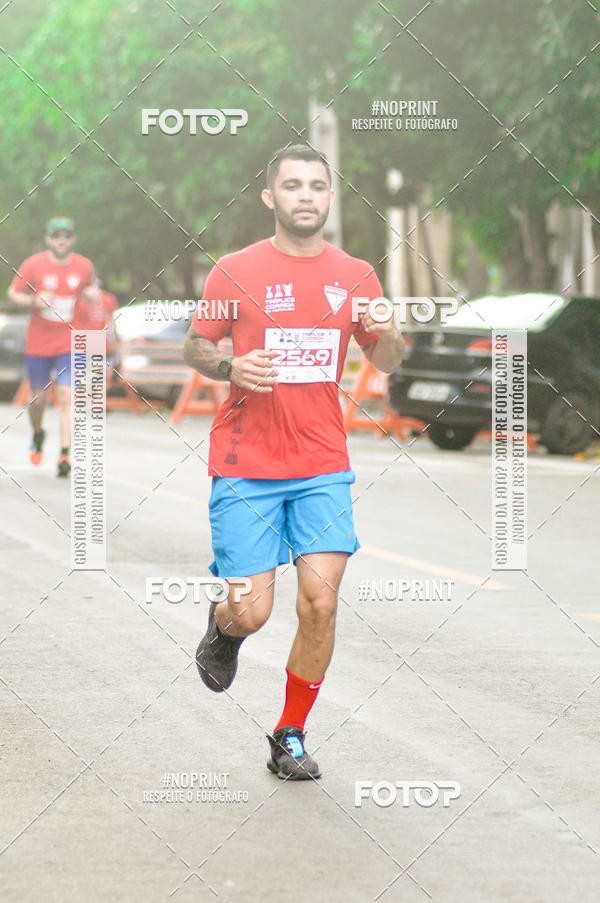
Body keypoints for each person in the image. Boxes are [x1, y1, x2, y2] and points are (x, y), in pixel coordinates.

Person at [183, 145, 404, 779]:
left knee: (320, 605)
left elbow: (386, 359)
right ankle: (224, 632)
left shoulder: (358, 274)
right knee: (252, 609)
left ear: (330, 198)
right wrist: (231, 366)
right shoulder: (235, 270)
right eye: (292, 185)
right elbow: (199, 344)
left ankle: (290, 733)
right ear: (270, 197)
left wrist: (387, 331)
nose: (305, 195)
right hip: (245, 461)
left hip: (321, 464)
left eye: (316, 185)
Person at [8, 217, 100, 476]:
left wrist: (92, 295)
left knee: (67, 396)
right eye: (56, 236)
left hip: (70, 341)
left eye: (66, 236)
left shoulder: (83, 266)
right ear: (48, 239)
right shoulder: (33, 265)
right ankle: (38, 433)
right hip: (38, 342)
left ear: (73, 239)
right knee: (37, 399)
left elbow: (91, 291)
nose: (62, 240)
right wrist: (34, 300)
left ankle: (65, 454)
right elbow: (13, 293)